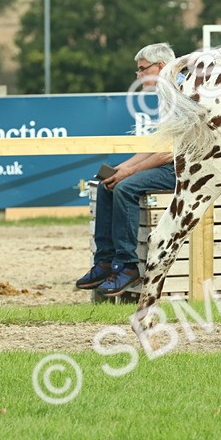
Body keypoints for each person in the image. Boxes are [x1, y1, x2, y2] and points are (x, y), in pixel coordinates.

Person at [76, 42, 178, 297]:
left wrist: (128, 173)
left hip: (186, 167)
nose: (138, 75)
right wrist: (123, 167)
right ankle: (105, 262)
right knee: (107, 184)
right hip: (173, 160)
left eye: (143, 69)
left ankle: (127, 265)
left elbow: (169, 152)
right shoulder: (168, 94)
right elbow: (159, 144)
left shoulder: (179, 93)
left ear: (161, 67)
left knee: (124, 187)